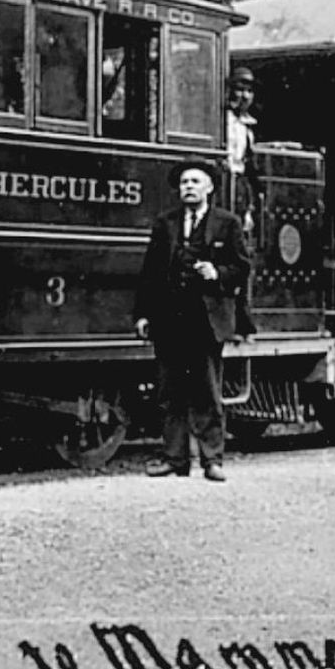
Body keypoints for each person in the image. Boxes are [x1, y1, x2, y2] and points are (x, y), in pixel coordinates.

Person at [134, 162, 252, 481]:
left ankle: (212, 460)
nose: (188, 186)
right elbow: (150, 273)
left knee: (206, 391)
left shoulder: (228, 223)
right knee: (170, 391)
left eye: (195, 181)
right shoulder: (165, 223)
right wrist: (144, 314)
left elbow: (242, 266)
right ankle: (175, 459)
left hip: (206, 319)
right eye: (184, 182)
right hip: (170, 317)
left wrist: (218, 273)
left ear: (209, 188)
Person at [223, 66, 261, 339]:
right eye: (239, 89)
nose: (243, 96)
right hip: (223, 186)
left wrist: (248, 206)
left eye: (248, 91)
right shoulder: (221, 121)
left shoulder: (247, 127)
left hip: (238, 192)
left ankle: (242, 319)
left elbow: (249, 167)